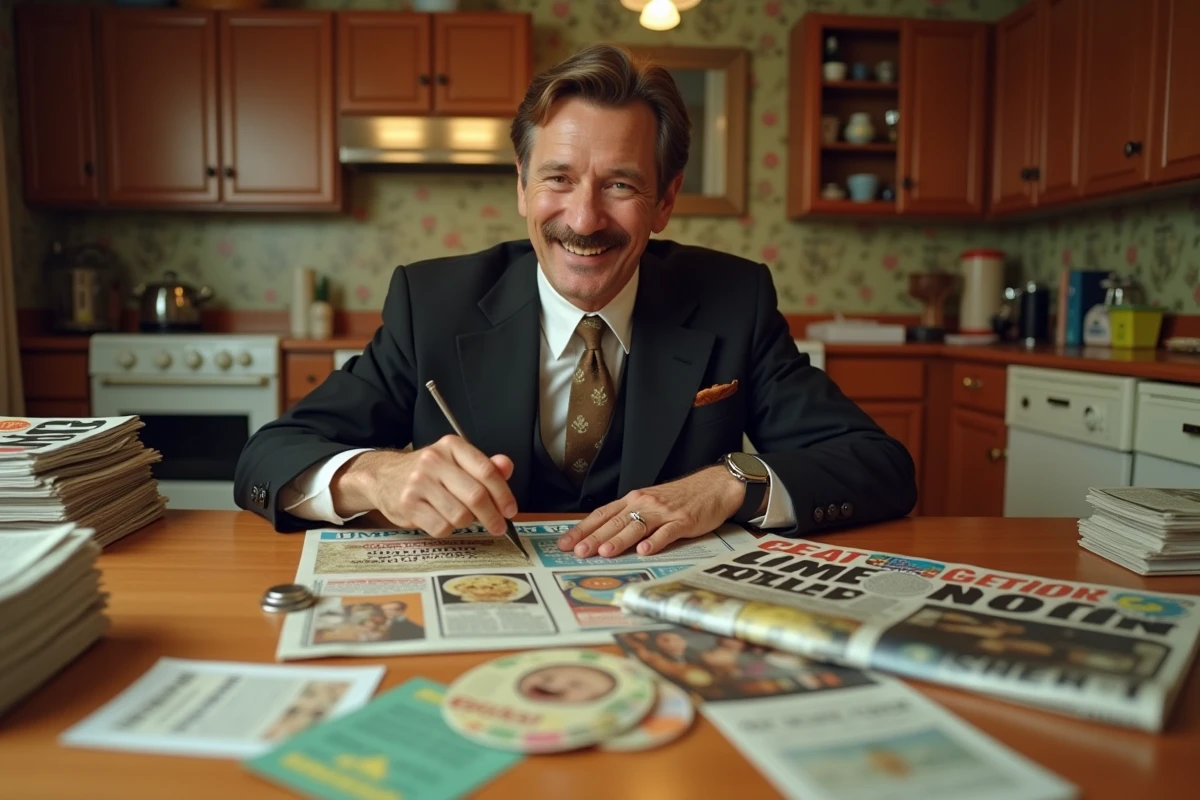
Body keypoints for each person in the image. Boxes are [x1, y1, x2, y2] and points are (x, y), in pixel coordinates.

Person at [234, 43, 916, 559]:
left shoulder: (733, 300)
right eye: (559, 178)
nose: (584, 220)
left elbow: (879, 465)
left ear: (665, 201)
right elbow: (269, 456)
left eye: (619, 184)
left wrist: (732, 481)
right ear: (523, 187)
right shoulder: (431, 302)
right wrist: (376, 477)